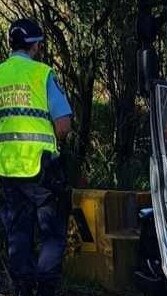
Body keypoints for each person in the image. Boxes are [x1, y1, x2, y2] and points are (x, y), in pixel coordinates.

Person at [0, 19, 72, 296]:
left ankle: (22, 287)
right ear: (36, 46)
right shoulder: (42, 74)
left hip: (8, 169)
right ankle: (45, 288)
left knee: (18, 231)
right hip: (42, 170)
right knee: (51, 233)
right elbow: (63, 125)